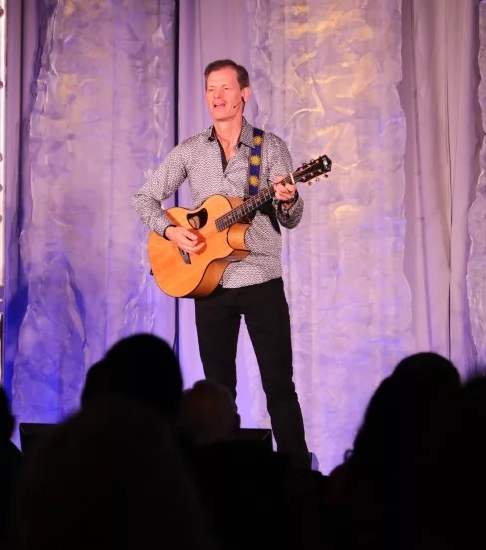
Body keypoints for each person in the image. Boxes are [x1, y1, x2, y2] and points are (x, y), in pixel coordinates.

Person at [132, 59, 309, 469]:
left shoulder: (270, 147)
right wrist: (172, 231)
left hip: (261, 279)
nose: (217, 96)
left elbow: (291, 219)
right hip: (208, 284)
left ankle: (299, 477)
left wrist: (288, 200)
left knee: (279, 386)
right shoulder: (192, 150)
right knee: (216, 391)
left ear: (244, 94)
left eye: (225, 88)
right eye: (211, 88)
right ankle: (217, 476)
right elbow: (144, 198)